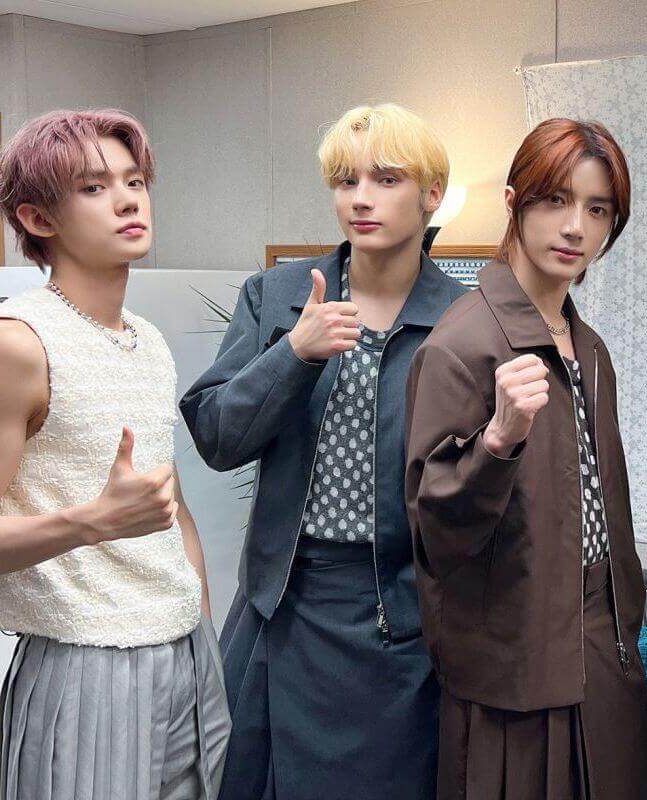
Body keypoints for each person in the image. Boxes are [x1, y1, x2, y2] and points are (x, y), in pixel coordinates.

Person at [180, 103, 466, 799]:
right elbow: (216, 435)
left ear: (432, 194)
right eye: (345, 180)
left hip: (401, 618)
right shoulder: (278, 295)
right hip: (285, 603)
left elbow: (476, 488)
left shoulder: (463, 320)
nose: (361, 198)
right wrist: (295, 354)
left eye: (386, 179)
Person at [0, 109, 229, 799]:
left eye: (135, 181)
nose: (128, 199)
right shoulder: (15, 343)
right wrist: (91, 523)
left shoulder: (146, 339)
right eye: (92, 187)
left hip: (185, 652)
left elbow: (170, 507)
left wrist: (198, 620)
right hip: (84, 667)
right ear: (38, 218)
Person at [404, 117, 647, 800]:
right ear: (513, 202)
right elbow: (434, 537)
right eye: (556, 201)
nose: (575, 227)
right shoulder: (463, 344)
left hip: (604, 650)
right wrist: (496, 442)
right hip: (511, 669)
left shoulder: (587, 346)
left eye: (597, 210)